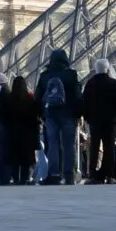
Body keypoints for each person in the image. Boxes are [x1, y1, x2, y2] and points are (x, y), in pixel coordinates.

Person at [39, 50, 81, 184]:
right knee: (69, 145)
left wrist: (41, 114)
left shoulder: (44, 76)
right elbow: (77, 96)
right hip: (68, 114)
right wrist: (78, 114)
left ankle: (54, 174)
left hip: (51, 114)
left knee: (53, 144)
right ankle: (69, 175)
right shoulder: (71, 75)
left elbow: (38, 97)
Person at [0, 75, 39, 185]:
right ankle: (24, 178)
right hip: (27, 134)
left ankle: (15, 178)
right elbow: (34, 118)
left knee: (14, 158)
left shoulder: (9, 99)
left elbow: (4, 117)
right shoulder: (30, 99)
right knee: (26, 159)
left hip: (12, 133)